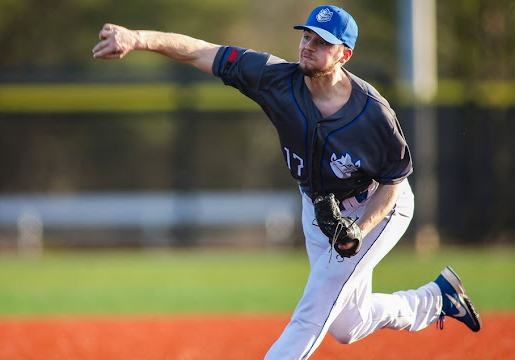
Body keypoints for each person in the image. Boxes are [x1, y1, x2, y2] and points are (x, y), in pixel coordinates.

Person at [92, 4, 481, 359]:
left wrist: (359, 230)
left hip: (376, 207)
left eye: (323, 41)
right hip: (318, 206)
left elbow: (394, 184)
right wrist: (136, 38)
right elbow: (199, 50)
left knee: (313, 313)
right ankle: (437, 299)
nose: (308, 46)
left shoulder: (374, 115)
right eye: (307, 35)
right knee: (347, 325)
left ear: (344, 54)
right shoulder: (275, 78)